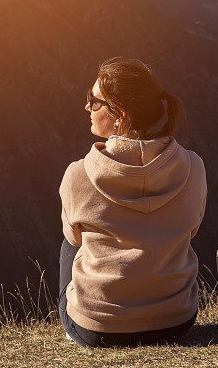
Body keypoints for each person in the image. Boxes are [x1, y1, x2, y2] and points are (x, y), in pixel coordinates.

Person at [58, 57, 207, 348]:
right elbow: (192, 230)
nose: (87, 107)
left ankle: (80, 317)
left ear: (120, 115)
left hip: (96, 329)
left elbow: (72, 238)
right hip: (176, 322)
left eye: (94, 100)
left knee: (70, 242)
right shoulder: (193, 167)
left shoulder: (79, 174)